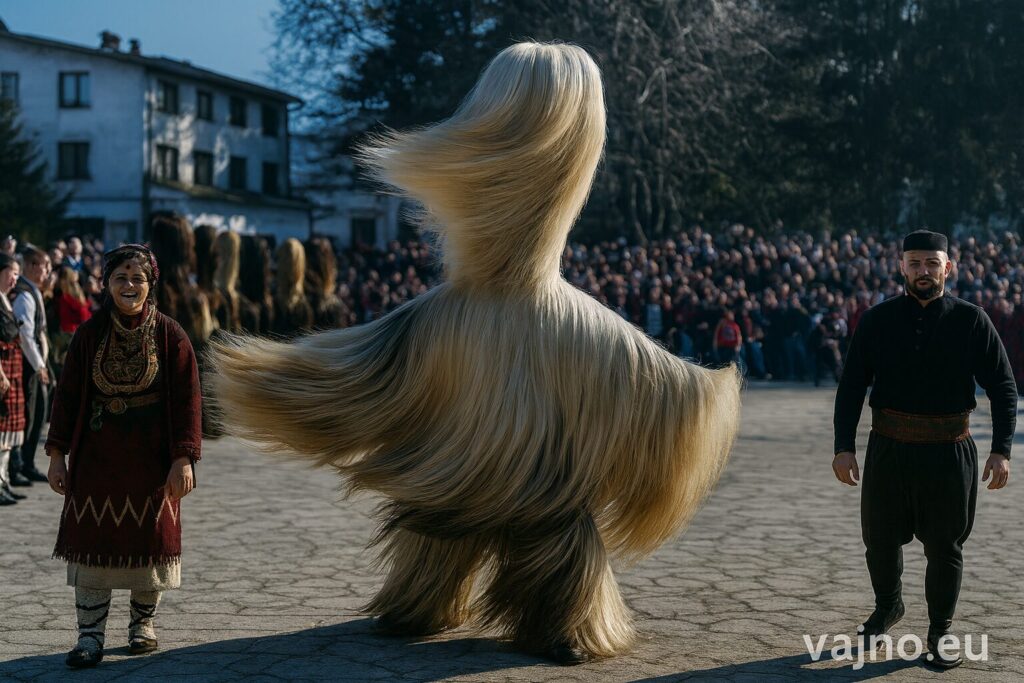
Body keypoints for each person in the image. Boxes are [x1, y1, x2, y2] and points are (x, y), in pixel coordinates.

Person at [209, 42, 741, 664]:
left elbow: (345, 372)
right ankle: (561, 618)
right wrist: (703, 397)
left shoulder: (434, 324)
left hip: (452, 444)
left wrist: (258, 380)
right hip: (545, 428)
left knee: (444, 511)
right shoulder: (582, 335)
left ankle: (428, 598)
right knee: (548, 519)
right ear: (581, 149)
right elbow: (674, 401)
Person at [832, 229, 1016, 669]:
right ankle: (888, 606)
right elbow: (852, 386)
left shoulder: (972, 320)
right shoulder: (876, 320)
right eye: (914, 263)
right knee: (878, 541)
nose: (923, 271)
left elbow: (1004, 387)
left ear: (948, 267)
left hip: (948, 453)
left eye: (932, 263)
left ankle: (940, 630)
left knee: (945, 546)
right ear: (901, 267)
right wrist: (843, 446)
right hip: (888, 449)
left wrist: (1002, 449)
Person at [45, 244, 202, 668]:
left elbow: (188, 401)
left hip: (152, 461)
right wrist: (57, 454)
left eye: (137, 278)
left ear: (150, 285)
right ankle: (89, 637)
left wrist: (183, 458)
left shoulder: (172, 336)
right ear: (106, 284)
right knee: (91, 544)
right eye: (120, 278)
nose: (129, 285)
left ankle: (141, 626)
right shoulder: (88, 335)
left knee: (148, 544)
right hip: (96, 459)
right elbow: (67, 397)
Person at [7, 246, 52, 487]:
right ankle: (21, 464)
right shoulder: (24, 293)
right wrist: (39, 365)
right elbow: (25, 334)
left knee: (36, 415)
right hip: (27, 365)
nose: (47, 272)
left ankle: (27, 463)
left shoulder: (32, 290)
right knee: (29, 415)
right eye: (45, 267)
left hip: (35, 363)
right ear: (33, 267)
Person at [0, 253, 25, 505]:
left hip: (12, 370)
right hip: (3, 371)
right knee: (1, 432)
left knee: (8, 433)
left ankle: (4, 480)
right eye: (11, 273)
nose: (14, 278)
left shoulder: (6, 301)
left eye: (17, 273)